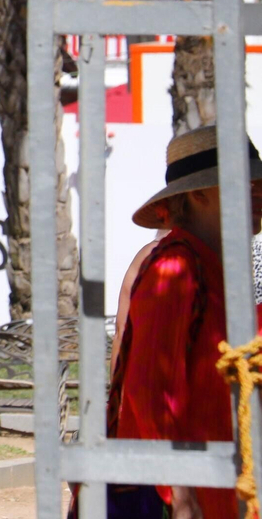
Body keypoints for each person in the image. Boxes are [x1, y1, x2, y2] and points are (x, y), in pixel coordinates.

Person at [107, 125, 262, 519]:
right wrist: (180, 493)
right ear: (199, 193)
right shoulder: (177, 265)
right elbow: (149, 386)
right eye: (248, 182)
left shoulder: (217, 269)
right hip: (183, 499)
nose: (259, 192)